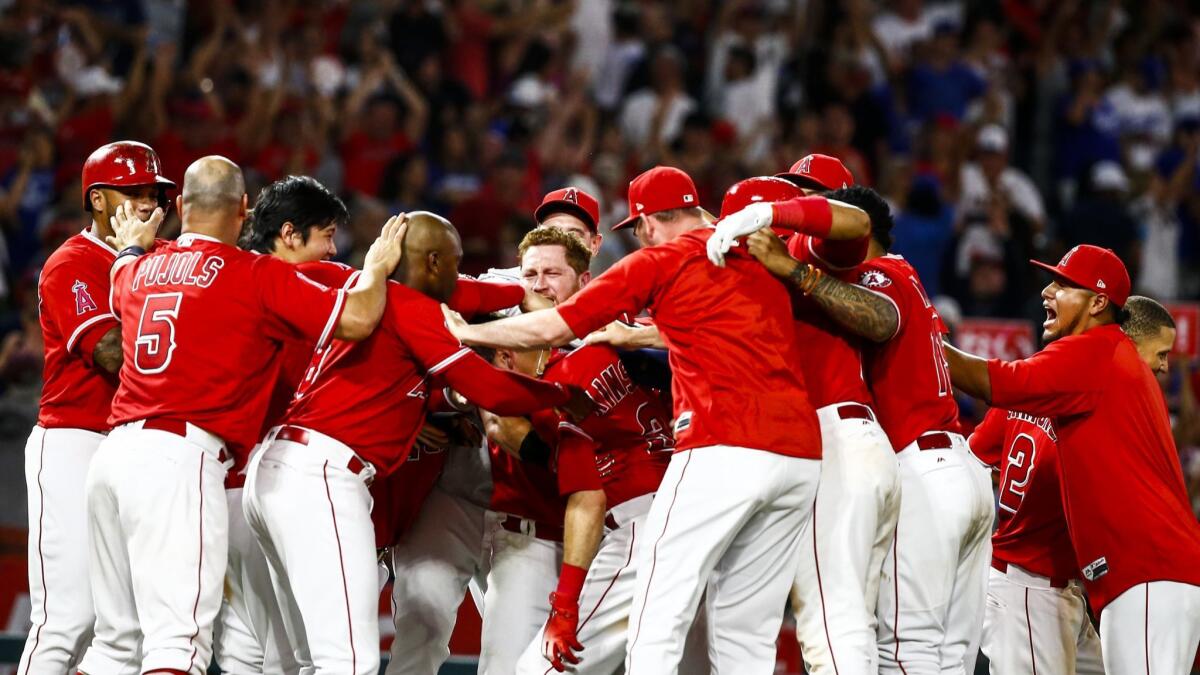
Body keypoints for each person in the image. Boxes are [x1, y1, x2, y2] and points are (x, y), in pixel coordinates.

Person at [442, 165, 869, 673]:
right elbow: (856, 222)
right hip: (799, 457)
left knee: (655, 619)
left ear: (644, 224)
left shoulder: (659, 261)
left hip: (717, 449)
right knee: (745, 637)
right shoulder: (766, 257)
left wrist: (468, 337)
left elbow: (553, 325)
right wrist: (772, 216)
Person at [77, 155, 405, 675]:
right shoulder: (254, 274)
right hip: (178, 457)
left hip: (113, 454)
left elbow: (120, 273)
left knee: (114, 647)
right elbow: (360, 319)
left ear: (181, 205)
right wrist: (379, 266)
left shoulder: (139, 268)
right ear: (245, 211)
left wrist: (133, 245)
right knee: (176, 646)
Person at [243, 212, 586, 675]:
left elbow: (468, 292)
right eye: (454, 261)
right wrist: (570, 392)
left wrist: (518, 292)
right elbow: (497, 391)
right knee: (348, 663)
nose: (462, 272)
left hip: (272, 470)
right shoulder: (413, 308)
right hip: (322, 475)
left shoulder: (369, 288)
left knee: (297, 659)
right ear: (431, 262)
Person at [717, 176, 994, 675]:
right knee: (945, 658)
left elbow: (881, 318)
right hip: (955, 464)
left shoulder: (878, 271)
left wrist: (794, 270)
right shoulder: (908, 275)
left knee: (901, 649)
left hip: (918, 466)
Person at [943, 245, 1200, 675]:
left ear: (1098, 302)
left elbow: (994, 381)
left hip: (1146, 573)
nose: (1048, 291)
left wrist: (916, 337)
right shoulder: (1110, 363)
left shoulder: (1096, 352)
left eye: (1063, 284)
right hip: (1116, 580)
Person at [710, 171, 902, 675]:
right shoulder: (772, 267)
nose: (805, 198)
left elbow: (855, 226)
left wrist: (783, 236)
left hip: (834, 442)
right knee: (855, 623)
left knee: (829, 623)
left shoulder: (811, 251)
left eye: (812, 192)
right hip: (861, 444)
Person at [20, 141, 174, 674]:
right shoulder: (73, 262)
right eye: (133, 192)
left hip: (135, 448)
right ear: (99, 199)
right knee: (66, 620)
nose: (147, 202)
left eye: (154, 193)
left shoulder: (159, 263)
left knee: (124, 630)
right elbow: (111, 352)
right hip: (74, 441)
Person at [500, 229, 674, 674]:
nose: (538, 284)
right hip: (675, 516)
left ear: (584, 280)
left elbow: (586, 497)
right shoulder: (619, 337)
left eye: (552, 273)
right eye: (530, 274)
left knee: (541, 670)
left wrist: (564, 607)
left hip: (640, 522)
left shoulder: (613, 340)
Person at [213, 175, 348, 675]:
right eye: (326, 235)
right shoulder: (278, 286)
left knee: (248, 647)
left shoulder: (228, 276)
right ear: (289, 234)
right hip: (260, 482)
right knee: (293, 653)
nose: (334, 251)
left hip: (220, 482)